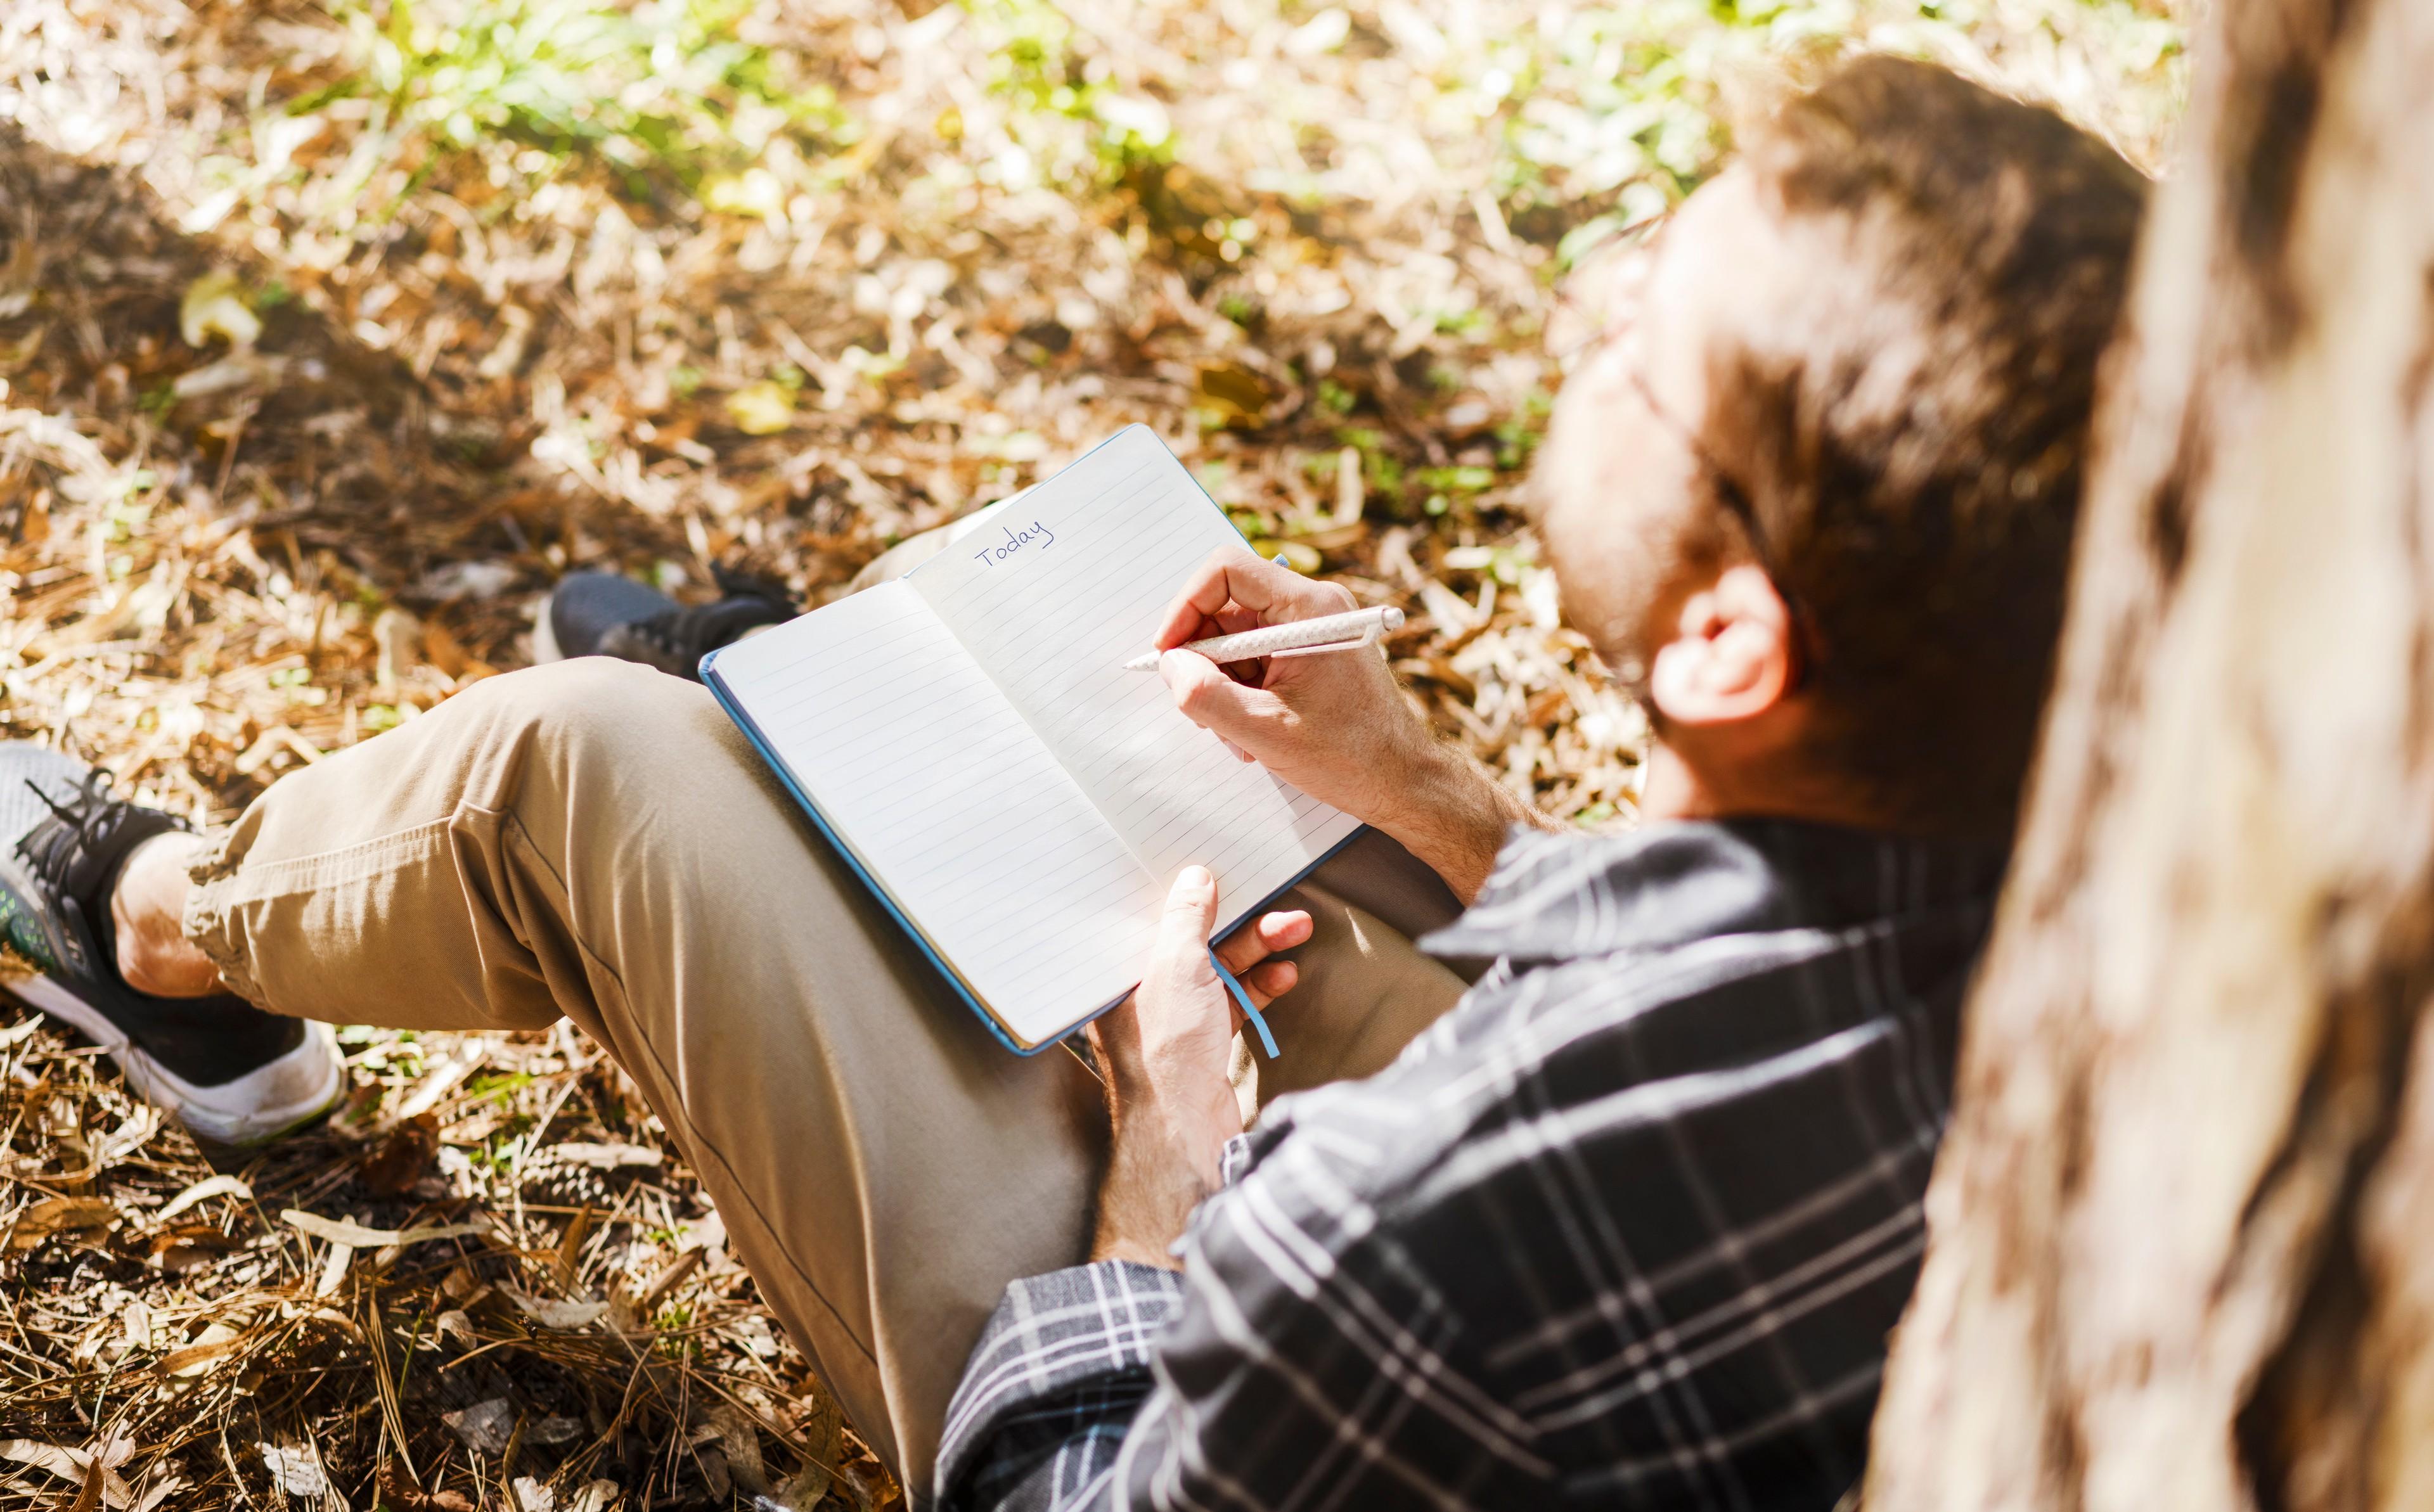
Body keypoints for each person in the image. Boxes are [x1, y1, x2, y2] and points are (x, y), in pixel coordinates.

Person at [0, 56, 2145, 1511]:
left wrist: (1163, 1196)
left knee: (585, 763)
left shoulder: (1398, 1231)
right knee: (1103, 713)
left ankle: (162, 935)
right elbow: (1724, 949)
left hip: (1209, 1384)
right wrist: (1422, 784)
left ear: (1728, 640)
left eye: (1642, 347)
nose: (1589, 313)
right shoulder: (2120, 941)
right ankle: (821, 725)